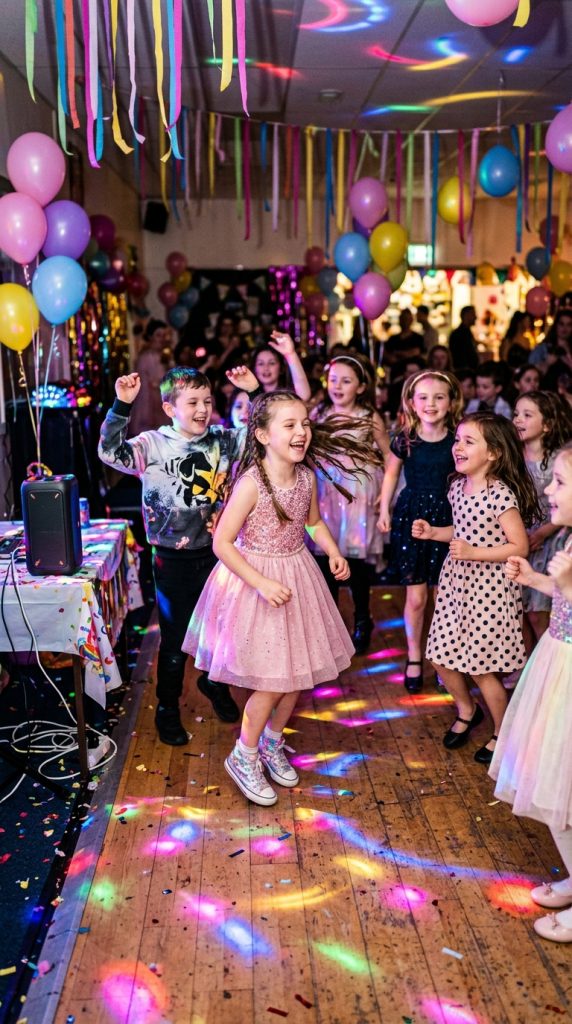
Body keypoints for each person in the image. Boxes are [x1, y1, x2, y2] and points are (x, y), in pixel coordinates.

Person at [182, 390, 375, 807]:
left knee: (296, 675)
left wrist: (334, 550)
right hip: (257, 586)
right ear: (263, 435)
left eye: (304, 423)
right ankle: (244, 755)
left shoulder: (306, 478)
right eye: (290, 425)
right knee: (270, 683)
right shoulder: (251, 484)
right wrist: (261, 583)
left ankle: (271, 742)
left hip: (297, 577)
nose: (301, 431)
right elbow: (222, 542)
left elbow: (313, 522)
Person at [98, 364, 263, 745]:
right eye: (193, 402)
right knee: (175, 642)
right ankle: (168, 708)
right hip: (171, 559)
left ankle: (213, 681)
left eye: (207, 401)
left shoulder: (223, 440)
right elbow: (109, 452)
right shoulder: (153, 444)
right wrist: (122, 406)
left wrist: (254, 392)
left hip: (219, 554)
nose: (203, 409)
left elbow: (262, 435)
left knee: (224, 631)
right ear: (170, 408)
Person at [414, 412, 541, 764]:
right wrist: (434, 532)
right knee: (439, 656)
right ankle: (468, 710)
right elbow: (461, 530)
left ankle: (503, 732)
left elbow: (519, 546)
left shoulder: (500, 495)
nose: (458, 446)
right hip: (457, 586)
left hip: (490, 592)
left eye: (469, 441)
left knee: (481, 668)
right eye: (458, 439)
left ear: (494, 453)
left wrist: (474, 553)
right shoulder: (457, 487)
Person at [491, 445, 572, 942]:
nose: (548, 489)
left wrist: (567, 584)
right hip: (556, 665)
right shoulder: (569, 537)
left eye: (560, 481)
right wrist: (539, 578)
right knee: (551, 783)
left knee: (564, 788)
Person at [377, 370, 463, 692]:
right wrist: (384, 509)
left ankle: (445, 659)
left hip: (447, 518)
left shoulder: (457, 439)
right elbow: (390, 474)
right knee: (416, 597)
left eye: (439, 397)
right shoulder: (405, 438)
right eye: (424, 397)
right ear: (412, 403)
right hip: (412, 519)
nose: (431, 403)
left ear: (451, 402)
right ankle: (414, 656)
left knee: (444, 596)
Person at [310, 354, 388, 654]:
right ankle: (330, 626)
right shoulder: (319, 413)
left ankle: (362, 619)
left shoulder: (369, 417)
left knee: (355, 564)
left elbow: (389, 454)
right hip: (325, 493)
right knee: (325, 561)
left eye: (346, 381)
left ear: (360, 387)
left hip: (357, 496)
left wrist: (385, 494)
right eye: (333, 380)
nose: (338, 386)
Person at [513, 392, 572, 648]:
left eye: (527, 415)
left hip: (548, 541)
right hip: (521, 538)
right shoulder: (514, 456)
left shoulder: (560, 459)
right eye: (516, 414)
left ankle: (546, 651)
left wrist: (542, 533)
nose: (518, 420)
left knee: (540, 612)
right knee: (520, 613)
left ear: (547, 424)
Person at [128, 319, 173, 436]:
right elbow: (151, 384)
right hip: (150, 405)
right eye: (158, 335)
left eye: (164, 335)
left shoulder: (164, 356)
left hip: (162, 403)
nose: (162, 339)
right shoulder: (146, 358)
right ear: (150, 337)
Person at [251, 335, 311, 401]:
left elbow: (304, 395)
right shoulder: (249, 397)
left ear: (281, 368)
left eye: (272, 363)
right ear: (255, 368)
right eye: (261, 364)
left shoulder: (288, 397)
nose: (266, 368)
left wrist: (290, 354)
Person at [448, 306, 478, 370]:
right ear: (466, 316)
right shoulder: (458, 334)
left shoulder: (466, 332)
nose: (476, 317)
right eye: (473, 314)